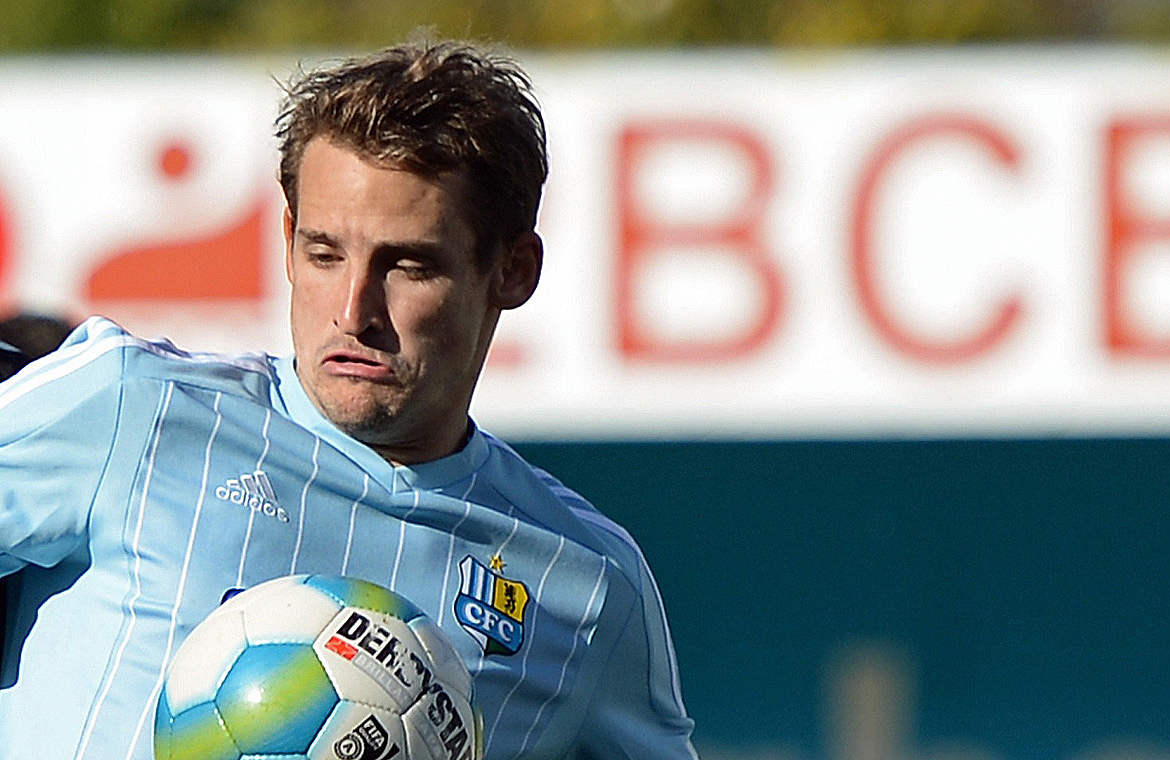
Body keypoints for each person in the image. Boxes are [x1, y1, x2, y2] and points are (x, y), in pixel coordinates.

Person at [0, 41, 697, 760]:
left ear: (513, 271)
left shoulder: (585, 583)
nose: (353, 310)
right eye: (325, 253)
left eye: (408, 264)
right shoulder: (130, 409)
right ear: (288, 238)